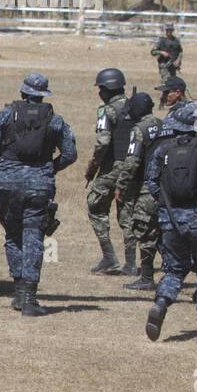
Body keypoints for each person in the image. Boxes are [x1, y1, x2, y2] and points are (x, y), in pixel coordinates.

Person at [0, 73, 77, 317]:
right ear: (43, 95)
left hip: (6, 182)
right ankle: (29, 297)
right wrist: (50, 167)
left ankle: (19, 294)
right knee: (33, 237)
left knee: (12, 236)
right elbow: (70, 154)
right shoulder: (55, 121)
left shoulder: (4, 117)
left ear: (23, 93)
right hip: (40, 185)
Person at [144, 101, 197, 343]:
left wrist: (167, 205)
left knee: (174, 269)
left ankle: (161, 304)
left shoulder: (163, 150)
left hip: (170, 220)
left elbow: (152, 182)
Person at [114, 91, 165, 291]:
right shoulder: (165, 126)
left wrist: (121, 186)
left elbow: (132, 162)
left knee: (143, 230)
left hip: (147, 187)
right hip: (166, 186)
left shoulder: (139, 130)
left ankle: (146, 277)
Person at [85, 67, 132, 275]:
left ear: (106, 89)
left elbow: (103, 142)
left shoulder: (107, 111)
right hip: (134, 167)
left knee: (95, 206)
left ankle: (110, 257)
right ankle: (131, 263)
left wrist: (93, 167)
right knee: (128, 213)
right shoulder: (136, 106)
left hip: (112, 167)